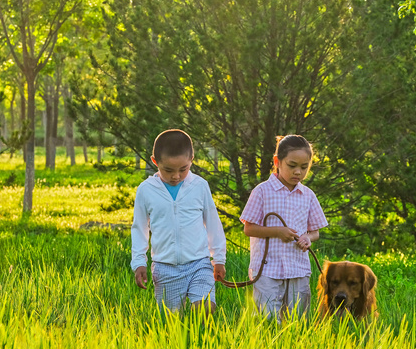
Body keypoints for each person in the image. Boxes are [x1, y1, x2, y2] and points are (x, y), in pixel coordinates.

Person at [131, 129, 226, 313]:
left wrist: (219, 258)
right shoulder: (146, 190)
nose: (176, 176)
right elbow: (139, 228)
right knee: (173, 319)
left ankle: (203, 340)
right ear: (155, 162)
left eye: (183, 169)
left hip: (199, 262)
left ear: (192, 159)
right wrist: (139, 262)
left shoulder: (199, 186)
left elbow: (213, 224)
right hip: (165, 267)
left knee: (205, 308)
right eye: (168, 170)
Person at [240, 134, 327, 319]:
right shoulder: (262, 191)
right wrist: (277, 232)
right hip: (267, 270)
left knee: (296, 318)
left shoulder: (308, 195)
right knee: (267, 318)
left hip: (297, 268)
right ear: (277, 161)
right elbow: (249, 228)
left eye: (304, 167)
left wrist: (307, 239)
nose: (298, 172)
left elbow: (315, 232)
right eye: (292, 165)